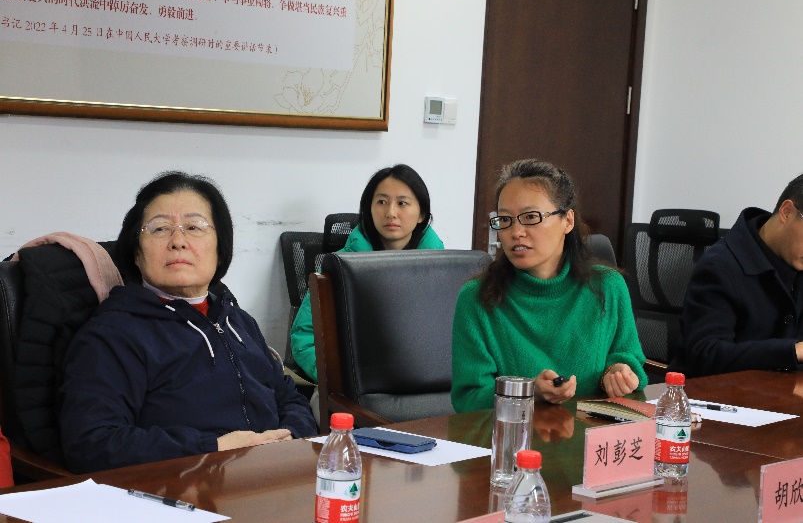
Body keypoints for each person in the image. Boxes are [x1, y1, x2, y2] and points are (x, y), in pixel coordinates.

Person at [59, 172, 317, 474]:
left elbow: (288, 397)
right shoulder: (113, 334)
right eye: (159, 229)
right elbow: (92, 442)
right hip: (186, 485)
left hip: (275, 474)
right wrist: (212, 448)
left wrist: (290, 436)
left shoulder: (236, 320)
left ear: (220, 247)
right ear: (136, 254)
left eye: (194, 227)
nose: (178, 241)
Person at [451, 159, 647, 412]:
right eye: (505, 220)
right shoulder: (477, 298)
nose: (516, 232)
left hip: (591, 430)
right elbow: (468, 400)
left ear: (568, 221)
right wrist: (528, 391)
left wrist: (617, 373)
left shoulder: (607, 286)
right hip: (516, 432)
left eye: (531, 217)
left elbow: (629, 359)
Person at [290, 164, 444, 383]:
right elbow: (306, 337)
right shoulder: (339, 267)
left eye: (402, 203)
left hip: (423, 383)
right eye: (381, 202)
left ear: (421, 214)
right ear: (368, 210)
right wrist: (339, 377)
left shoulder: (444, 270)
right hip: (352, 384)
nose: (391, 213)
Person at [671, 174, 803, 377]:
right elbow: (706, 354)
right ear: (787, 212)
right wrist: (792, 351)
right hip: (714, 392)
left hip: (782, 391)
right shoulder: (719, 267)